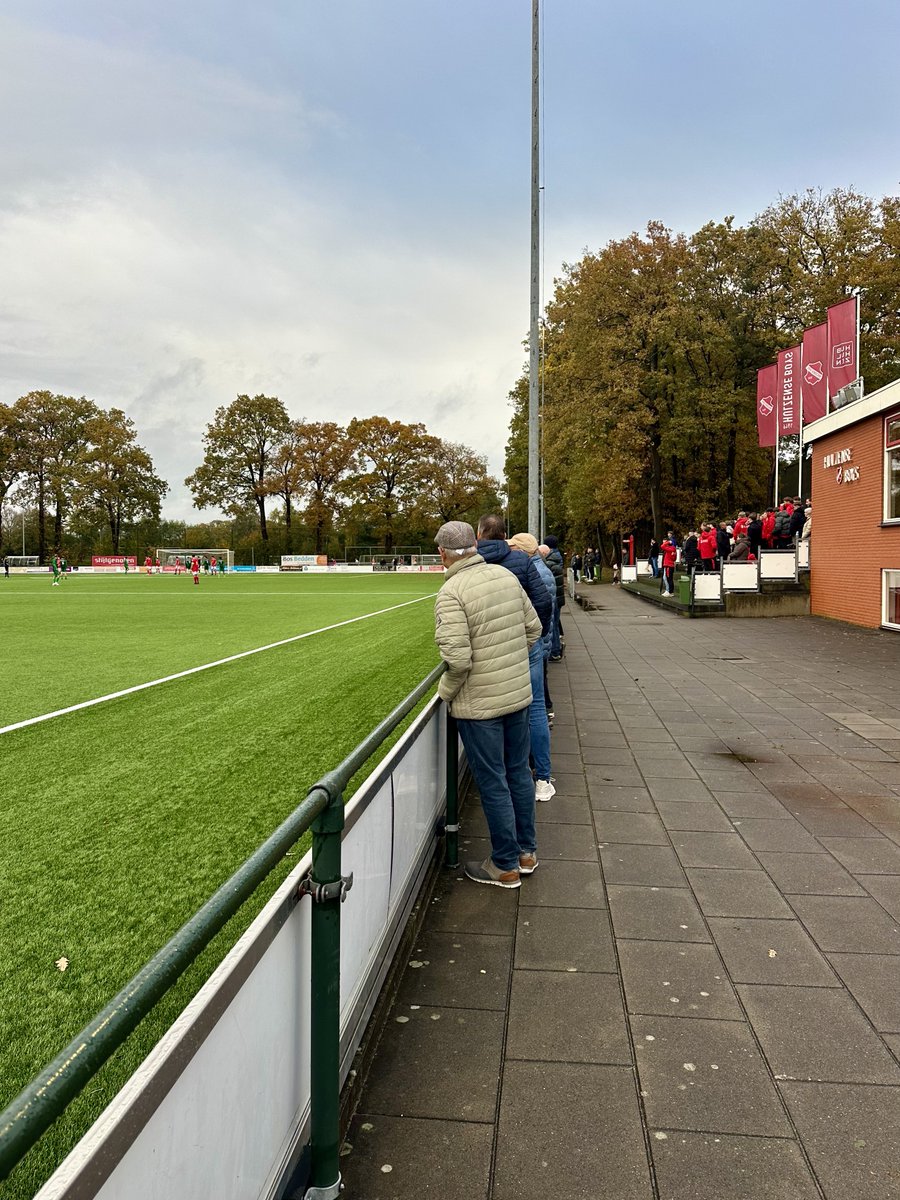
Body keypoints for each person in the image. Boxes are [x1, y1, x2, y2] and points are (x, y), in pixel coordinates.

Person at [433, 520, 542, 888]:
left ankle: (505, 864)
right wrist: (509, 664)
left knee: (493, 781)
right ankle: (526, 853)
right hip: (516, 696)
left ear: (443, 553)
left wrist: (445, 691)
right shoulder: (505, 576)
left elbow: (459, 660)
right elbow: (534, 629)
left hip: (480, 707)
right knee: (517, 773)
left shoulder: (452, 592)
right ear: (475, 545)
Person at [509, 532, 556, 801]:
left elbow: (542, 610)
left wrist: (537, 642)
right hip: (536, 643)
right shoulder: (540, 569)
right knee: (535, 708)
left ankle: (538, 775)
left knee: (532, 709)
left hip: (531, 644)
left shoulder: (530, 570)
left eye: (514, 547)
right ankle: (541, 777)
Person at [542, 535, 566, 659]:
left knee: (554, 624)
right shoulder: (557, 559)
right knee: (555, 623)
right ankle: (556, 648)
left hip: (555, 597)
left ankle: (555, 650)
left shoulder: (549, 563)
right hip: (558, 596)